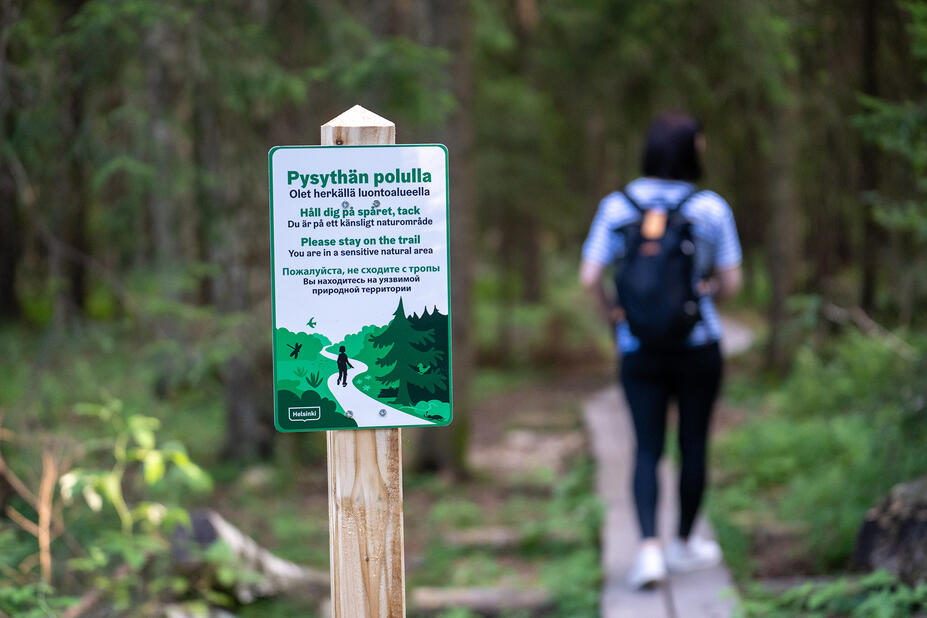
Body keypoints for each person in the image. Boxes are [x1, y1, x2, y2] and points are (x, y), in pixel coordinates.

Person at [579, 112, 742, 589]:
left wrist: (616, 315)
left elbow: (590, 277)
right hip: (698, 346)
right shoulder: (710, 208)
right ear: (691, 151)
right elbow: (731, 282)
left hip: (638, 347)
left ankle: (647, 550)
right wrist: (705, 292)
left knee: (646, 448)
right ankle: (685, 542)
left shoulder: (617, 206)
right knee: (694, 444)